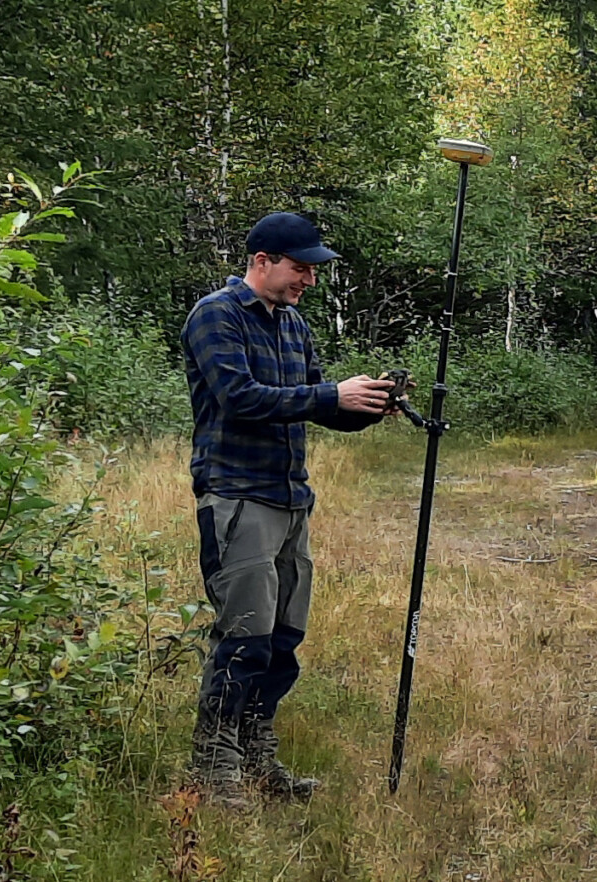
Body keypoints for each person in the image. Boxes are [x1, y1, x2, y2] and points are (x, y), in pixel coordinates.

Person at [180, 211, 398, 807]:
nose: (308, 279)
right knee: (243, 636)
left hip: (291, 497)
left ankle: (257, 756)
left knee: (282, 637)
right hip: (237, 494)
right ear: (262, 261)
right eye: (299, 267)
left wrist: (367, 404)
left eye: (311, 269)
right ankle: (215, 766)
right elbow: (240, 397)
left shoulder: (293, 324)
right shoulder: (215, 315)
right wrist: (331, 393)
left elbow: (313, 404)